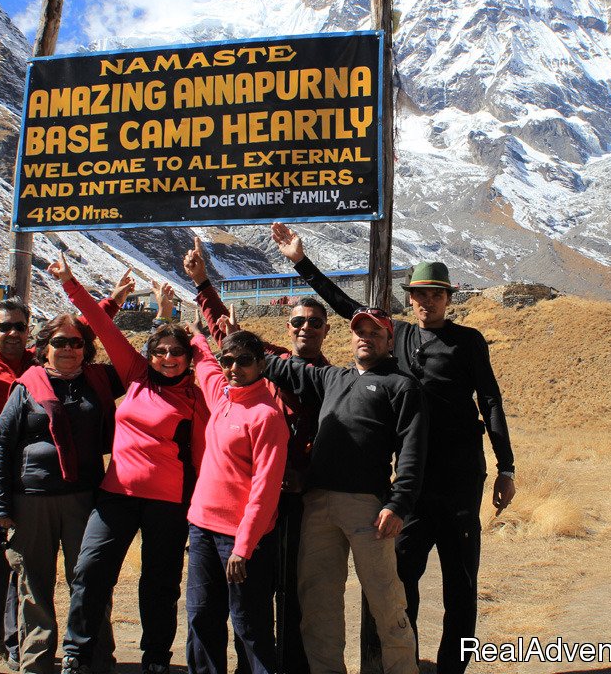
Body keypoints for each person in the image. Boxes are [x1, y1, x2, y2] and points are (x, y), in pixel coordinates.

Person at [271, 222, 517, 674]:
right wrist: (300, 261)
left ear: (448, 297)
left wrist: (506, 466)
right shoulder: (396, 336)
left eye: (435, 294)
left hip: (461, 475)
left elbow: (492, 400)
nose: (426, 302)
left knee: (461, 582)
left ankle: (452, 668)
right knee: (402, 579)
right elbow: (347, 307)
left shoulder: (468, 341)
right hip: (411, 483)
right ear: (410, 297)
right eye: (418, 294)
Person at [0, 281, 129, 674]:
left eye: (20, 326)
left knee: (26, 572)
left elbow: (74, 331)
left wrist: (112, 303)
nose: (13, 333)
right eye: (5, 327)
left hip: (47, 487)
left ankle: (18, 644)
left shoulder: (39, 366)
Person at [49, 254, 210, 674]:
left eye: (177, 352)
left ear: (188, 358)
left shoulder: (195, 395)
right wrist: (70, 282)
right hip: (116, 494)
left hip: (169, 504)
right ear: (150, 353)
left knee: (159, 584)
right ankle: (77, 653)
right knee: (90, 572)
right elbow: (101, 326)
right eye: (161, 351)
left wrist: (190, 319)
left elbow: (205, 449)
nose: (169, 357)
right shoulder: (136, 372)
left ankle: (156, 658)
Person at [184, 237, 331, 674]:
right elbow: (228, 341)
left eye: (315, 322)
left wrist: (305, 474)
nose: (306, 327)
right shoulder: (268, 363)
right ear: (288, 327)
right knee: (246, 597)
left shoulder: (332, 379)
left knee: (290, 589)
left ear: (326, 329)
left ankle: (287, 664)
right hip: (248, 503)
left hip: (298, 499)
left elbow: (337, 439)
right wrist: (203, 283)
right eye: (299, 321)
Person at [263, 305, 427, 674]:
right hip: (317, 505)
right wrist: (229, 333)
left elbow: (412, 452)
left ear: (389, 341)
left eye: (375, 333)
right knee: (318, 603)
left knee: (386, 601)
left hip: (368, 508)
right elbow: (277, 365)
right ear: (351, 337)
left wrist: (399, 503)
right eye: (360, 331)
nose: (365, 338)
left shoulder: (401, 385)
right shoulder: (331, 377)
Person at [0, 313, 123, 674]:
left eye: (76, 342)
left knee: (91, 580)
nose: (68, 349)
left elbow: (136, 361)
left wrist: (160, 313)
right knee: (34, 585)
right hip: (31, 499)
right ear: (45, 347)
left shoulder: (97, 380)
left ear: (85, 349)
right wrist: (0, 505)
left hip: (85, 498)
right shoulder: (27, 385)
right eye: (60, 342)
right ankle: (36, 662)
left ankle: (93, 659)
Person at [184, 326, 289, 674]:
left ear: (260, 363)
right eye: (227, 360)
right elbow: (204, 366)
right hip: (201, 528)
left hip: (241, 539)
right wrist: (196, 335)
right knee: (201, 617)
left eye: (244, 361)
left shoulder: (267, 416)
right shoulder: (222, 397)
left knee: (249, 625)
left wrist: (243, 546)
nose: (233, 368)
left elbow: (266, 488)